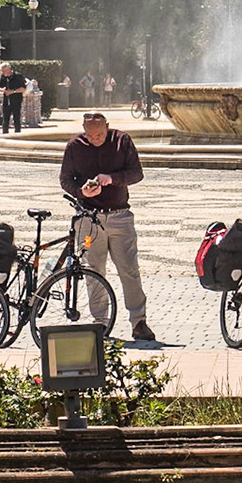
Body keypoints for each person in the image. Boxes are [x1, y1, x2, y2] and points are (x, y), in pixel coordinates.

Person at [58, 111, 155, 343]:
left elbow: (136, 173)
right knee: (93, 271)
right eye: (91, 136)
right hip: (89, 221)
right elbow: (65, 179)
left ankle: (138, 321)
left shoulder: (122, 141)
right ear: (83, 129)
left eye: (100, 134)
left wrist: (111, 179)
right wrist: (81, 191)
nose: (96, 139)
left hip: (120, 216)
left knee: (129, 270)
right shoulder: (74, 146)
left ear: (107, 127)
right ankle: (100, 321)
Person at [0, 62, 26, 134]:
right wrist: (3, 90)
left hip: (16, 100)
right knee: (5, 119)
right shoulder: (3, 77)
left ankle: (17, 134)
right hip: (6, 101)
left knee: (16, 118)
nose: (3, 73)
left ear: (9, 69)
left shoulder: (18, 76)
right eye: (2, 71)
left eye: (4, 71)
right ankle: (5, 135)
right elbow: (0, 87)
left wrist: (12, 91)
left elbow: (23, 89)